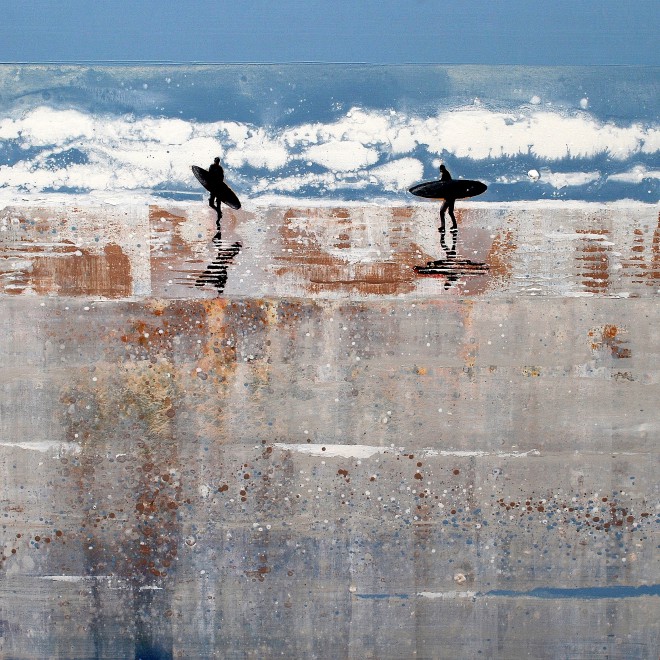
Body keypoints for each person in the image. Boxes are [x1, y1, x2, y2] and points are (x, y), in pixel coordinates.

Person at [438, 164, 457, 231]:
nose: (440, 171)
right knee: (450, 212)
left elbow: (443, 184)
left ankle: (443, 226)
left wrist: (439, 183)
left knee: (442, 211)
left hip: (448, 197)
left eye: (440, 169)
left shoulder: (445, 174)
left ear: (441, 169)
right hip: (452, 196)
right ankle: (455, 225)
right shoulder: (447, 174)